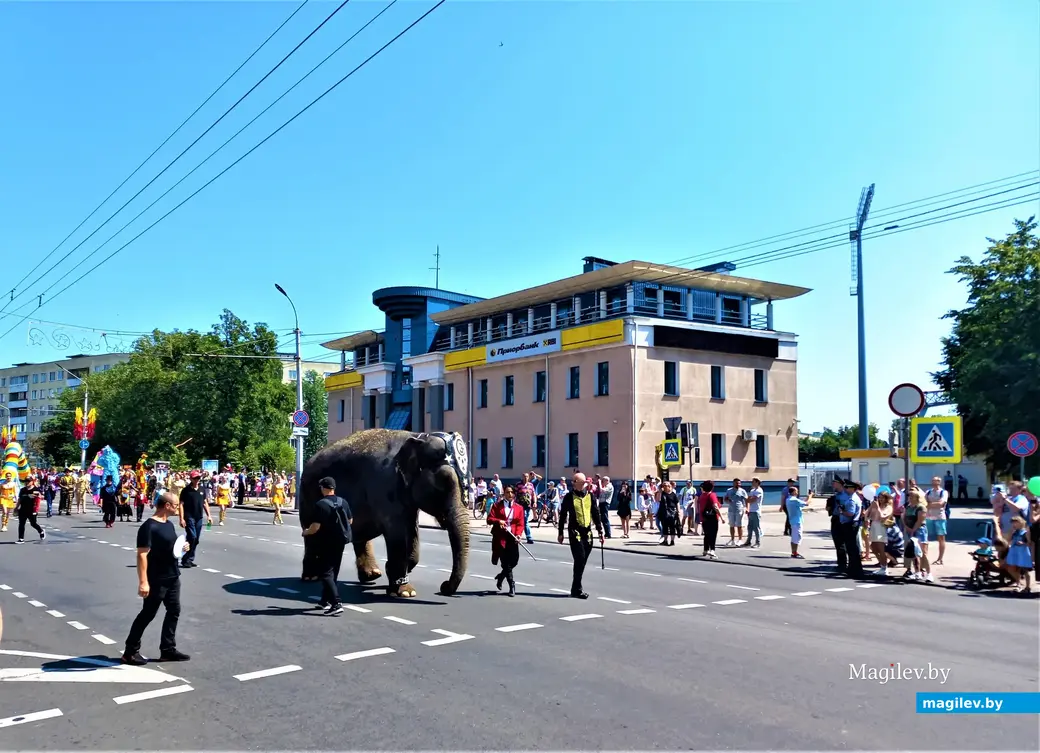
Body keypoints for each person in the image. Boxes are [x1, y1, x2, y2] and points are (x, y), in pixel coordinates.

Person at [121, 492, 190, 666]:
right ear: (167, 505)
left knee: (174, 611)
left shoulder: (169, 525)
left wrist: (183, 548)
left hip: (173, 576)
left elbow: (170, 548)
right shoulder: (149, 527)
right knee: (148, 614)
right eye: (175, 505)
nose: (177, 509)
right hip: (157, 578)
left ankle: (168, 649)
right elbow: (142, 555)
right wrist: (143, 582)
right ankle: (130, 652)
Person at [302, 477, 352, 615]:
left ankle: (336, 603)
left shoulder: (321, 504)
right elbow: (350, 520)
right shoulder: (343, 502)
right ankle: (325, 601)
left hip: (326, 542)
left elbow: (315, 527)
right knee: (333, 571)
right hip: (340, 541)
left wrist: (306, 532)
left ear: (324, 488)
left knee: (325, 572)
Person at [557, 472, 604, 599]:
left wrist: (600, 531)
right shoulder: (569, 497)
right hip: (574, 532)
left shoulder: (590, 496)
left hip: (587, 532)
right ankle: (577, 589)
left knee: (582, 561)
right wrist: (560, 533)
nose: (584, 485)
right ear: (575, 483)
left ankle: (575, 588)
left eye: (585, 482)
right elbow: (562, 516)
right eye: (581, 482)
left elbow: (596, 513)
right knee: (580, 558)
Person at [487, 485, 525, 596]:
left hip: (512, 537)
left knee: (514, 561)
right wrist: (499, 521)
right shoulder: (497, 506)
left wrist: (518, 535)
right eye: (507, 492)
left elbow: (520, 523)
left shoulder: (519, 508)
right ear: (504, 494)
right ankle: (512, 585)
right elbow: (489, 519)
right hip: (501, 538)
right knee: (506, 563)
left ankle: (501, 576)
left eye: (512, 492)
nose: (510, 494)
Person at [177, 471, 212, 568]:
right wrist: (181, 518)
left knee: (196, 539)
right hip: (189, 517)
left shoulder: (201, 489)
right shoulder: (186, 490)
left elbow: (204, 503)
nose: (197, 480)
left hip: (199, 517)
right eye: (195, 478)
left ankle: (189, 559)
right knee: (192, 537)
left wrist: (209, 515)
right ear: (191, 479)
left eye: (198, 478)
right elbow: (181, 504)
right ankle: (185, 559)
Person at [15, 476, 45, 543]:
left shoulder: (35, 489)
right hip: (23, 509)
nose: (27, 483)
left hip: (32, 509)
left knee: (33, 523)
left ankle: (41, 531)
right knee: (21, 524)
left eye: (28, 481)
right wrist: (16, 507)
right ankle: (21, 538)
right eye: (25, 481)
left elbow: (37, 499)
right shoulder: (22, 490)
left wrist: (36, 510)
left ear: (32, 482)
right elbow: (20, 499)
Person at [698, 480, 723, 558]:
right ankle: (712, 550)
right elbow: (715, 506)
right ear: (712, 487)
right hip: (712, 517)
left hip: (704, 517)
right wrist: (722, 517)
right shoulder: (712, 495)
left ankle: (705, 549)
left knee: (707, 534)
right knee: (713, 534)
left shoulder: (702, 496)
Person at [724, 478, 747, 546]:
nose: (738, 484)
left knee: (739, 525)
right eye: (737, 483)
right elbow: (725, 499)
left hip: (739, 510)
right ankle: (732, 540)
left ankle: (740, 540)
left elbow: (746, 500)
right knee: (731, 525)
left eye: (739, 483)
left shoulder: (742, 491)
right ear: (733, 483)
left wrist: (747, 508)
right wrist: (728, 500)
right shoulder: (729, 490)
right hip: (731, 510)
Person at [656, 481, 680, 546]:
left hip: (672, 513)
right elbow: (658, 500)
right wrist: (660, 492)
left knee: (672, 527)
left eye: (666, 485)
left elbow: (677, 503)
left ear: (669, 486)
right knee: (665, 527)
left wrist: (678, 512)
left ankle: (672, 541)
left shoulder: (673, 494)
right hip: (663, 513)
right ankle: (665, 541)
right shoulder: (662, 493)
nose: (665, 487)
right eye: (663, 486)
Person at [743, 477, 764, 548]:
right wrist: (748, 507)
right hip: (751, 510)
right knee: (750, 527)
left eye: (753, 481)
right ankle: (748, 541)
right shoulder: (752, 490)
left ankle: (758, 542)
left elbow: (752, 500)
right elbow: (748, 500)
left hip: (756, 511)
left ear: (757, 482)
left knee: (756, 527)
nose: (752, 483)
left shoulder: (759, 490)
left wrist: (748, 500)